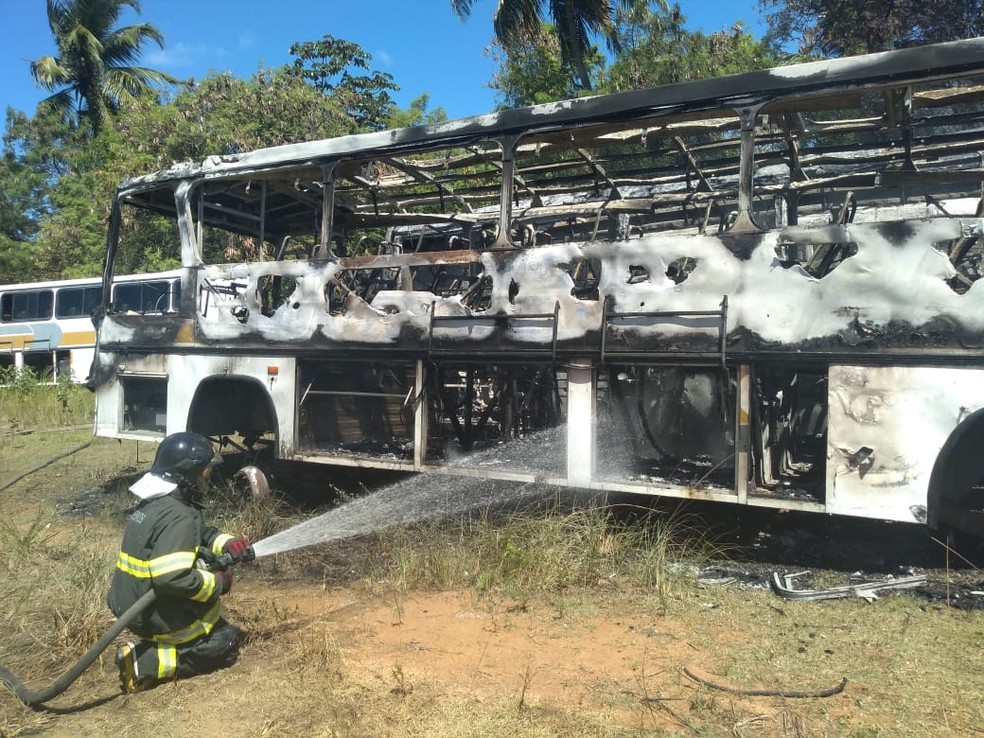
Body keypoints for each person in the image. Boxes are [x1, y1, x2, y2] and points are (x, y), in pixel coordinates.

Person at [107, 432, 253, 693]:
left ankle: (159, 646)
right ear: (187, 475)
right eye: (204, 474)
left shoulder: (159, 502)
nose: (206, 480)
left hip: (131, 603)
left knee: (217, 622)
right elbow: (172, 577)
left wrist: (229, 543)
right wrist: (218, 583)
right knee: (225, 641)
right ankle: (143, 662)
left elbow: (199, 533)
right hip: (151, 615)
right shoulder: (178, 516)